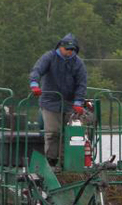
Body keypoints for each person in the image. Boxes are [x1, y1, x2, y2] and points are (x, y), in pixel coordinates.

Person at [29, 33, 87, 167]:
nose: (69, 52)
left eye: (72, 50)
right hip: (50, 102)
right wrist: (34, 84)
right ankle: (51, 161)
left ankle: (66, 162)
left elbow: (81, 84)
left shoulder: (78, 63)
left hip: (69, 103)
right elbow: (37, 70)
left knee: (70, 134)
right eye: (67, 49)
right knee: (53, 132)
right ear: (60, 47)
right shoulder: (49, 57)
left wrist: (78, 102)